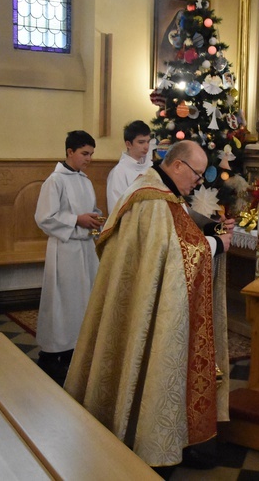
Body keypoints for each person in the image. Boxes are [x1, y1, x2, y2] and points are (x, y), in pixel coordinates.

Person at [64, 140, 234, 469]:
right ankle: (149, 445)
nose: (198, 182)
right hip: (152, 304)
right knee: (153, 361)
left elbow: (178, 234)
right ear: (178, 166)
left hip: (143, 298)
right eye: (197, 175)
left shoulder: (157, 191)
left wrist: (211, 230)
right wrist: (218, 244)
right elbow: (175, 255)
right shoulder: (154, 201)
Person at [35, 130, 102, 385]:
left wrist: (94, 217)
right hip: (64, 250)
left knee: (83, 303)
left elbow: (88, 211)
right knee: (64, 305)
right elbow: (45, 218)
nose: (89, 159)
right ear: (69, 152)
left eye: (92, 154)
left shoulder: (84, 180)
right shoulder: (55, 181)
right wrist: (77, 219)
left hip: (84, 249)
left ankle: (77, 352)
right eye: (85, 153)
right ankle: (54, 356)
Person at [106, 120, 153, 214]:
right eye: (141, 142)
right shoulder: (119, 172)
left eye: (148, 142)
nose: (146, 147)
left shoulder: (152, 168)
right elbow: (116, 209)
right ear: (128, 144)